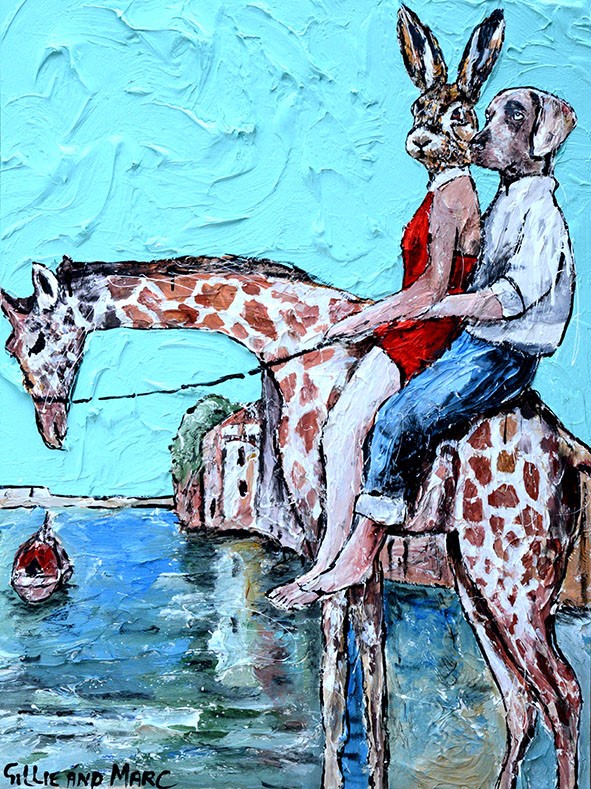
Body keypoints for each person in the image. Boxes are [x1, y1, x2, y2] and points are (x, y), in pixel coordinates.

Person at [280, 87, 577, 606]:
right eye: (489, 118)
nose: (484, 134)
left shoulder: (542, 214)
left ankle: (361, 553)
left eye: (509, 121)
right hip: (476, 340)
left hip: (504, 355)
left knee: (399, 417)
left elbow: (508, 299)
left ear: (543, 135)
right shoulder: (505, 201)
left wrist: (438, 308)